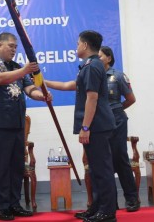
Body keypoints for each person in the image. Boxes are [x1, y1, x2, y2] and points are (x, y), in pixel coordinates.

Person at [45, 31, 117, 222]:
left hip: (97, 126)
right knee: (94, 170)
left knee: (102, 170)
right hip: (96, 125)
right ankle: (97, 207)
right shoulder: (88, 66)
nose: (76, 47)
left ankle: (108, 212)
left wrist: (85, 127)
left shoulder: (93, 66)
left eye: (78, 44)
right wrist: (44, 83)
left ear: (85, 45)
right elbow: (71, 85)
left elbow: (92, 98)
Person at [0, 32, 52, 221]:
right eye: (10, 46)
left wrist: (41, 96)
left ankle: (14, 203)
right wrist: (24, 71)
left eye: (15, 47)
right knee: (1, 166)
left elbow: (29, 88)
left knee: (16, 166)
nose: (13, 49)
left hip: (17, 123)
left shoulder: (17, 67)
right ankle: (1, 206)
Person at [98, 46, 140, 212]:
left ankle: (132, 199)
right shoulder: (93, 75)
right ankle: (110, 202)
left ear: (108, 58)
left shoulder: (118, 76)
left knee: (120, 159)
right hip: (99, 124)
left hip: (117, 122)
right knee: (104, 163)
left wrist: (115, 109)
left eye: (100, 56)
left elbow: (131, 99)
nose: (97, 59)